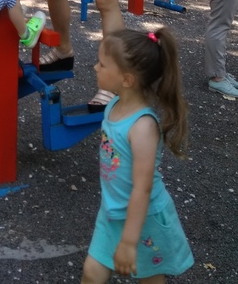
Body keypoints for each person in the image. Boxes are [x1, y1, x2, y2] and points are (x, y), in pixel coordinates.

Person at [81, 28, 194, 284]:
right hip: (112, 212)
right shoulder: (113, 104)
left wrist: (129, 242)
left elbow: (142, 189)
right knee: (92, 273)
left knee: (149, 279)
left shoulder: (142, 127)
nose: (95, 67)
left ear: (127, 80)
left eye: (102, 64)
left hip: (144, 220)